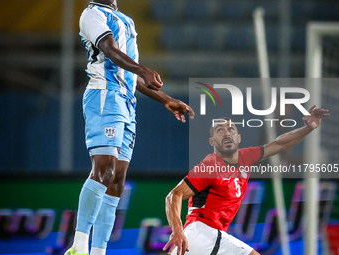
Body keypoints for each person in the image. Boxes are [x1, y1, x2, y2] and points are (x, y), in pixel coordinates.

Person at [65, 1, 194, 255]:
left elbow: (130, 75)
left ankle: (99, 250)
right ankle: (79, 247)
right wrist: (144, 69)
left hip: (126, 101)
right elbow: (110, 49)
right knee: (104, 169)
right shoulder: (92, 14)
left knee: (117, 180)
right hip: (105, 94)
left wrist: (166, 99)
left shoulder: (125, 19)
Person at [163, 106, 329, 255]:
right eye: (219, 130)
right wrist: (177, 231)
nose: (227, 132)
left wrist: (307, 129)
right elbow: (174, 195)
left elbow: (280, 144)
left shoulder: (246, 157)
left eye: (231, 129)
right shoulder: (210, 166)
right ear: (212, 142)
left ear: (238, 138)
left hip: (209, 238)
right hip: (201, 232)